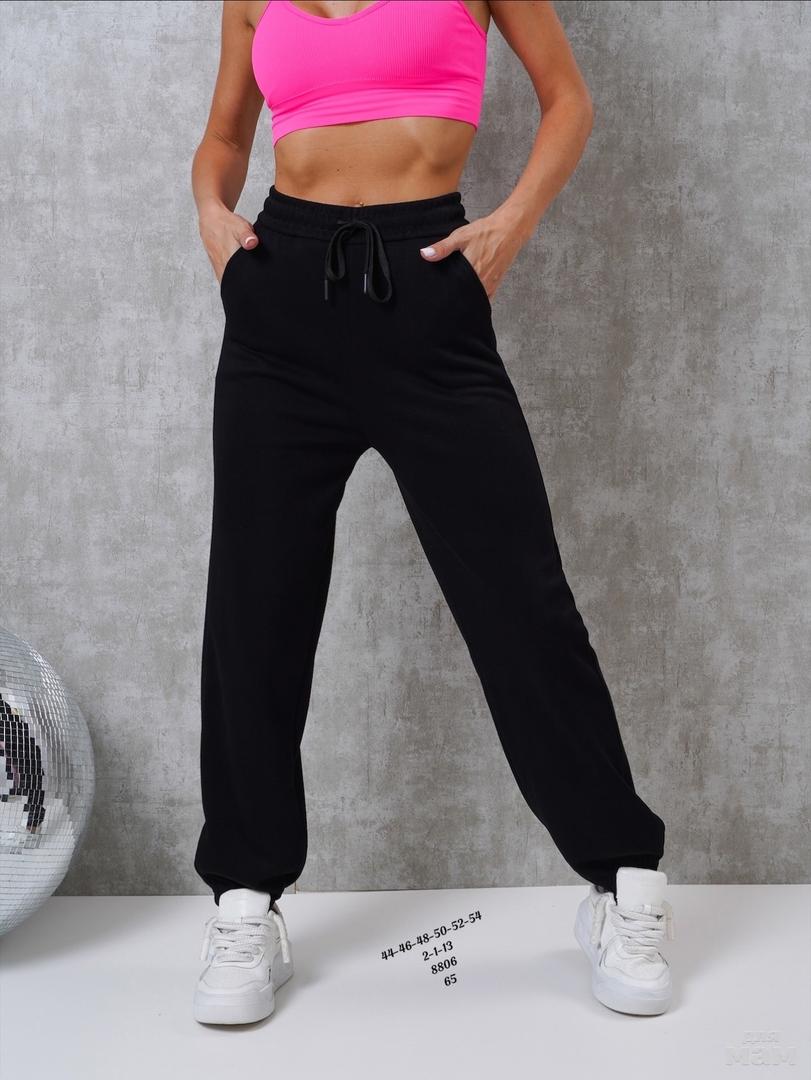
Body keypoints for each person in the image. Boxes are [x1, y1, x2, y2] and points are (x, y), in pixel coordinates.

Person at [190, 0, 675, 1026]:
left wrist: (512, 221)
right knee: (253, 609)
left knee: (521, 603)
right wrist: (211, 214)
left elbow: (568, 100)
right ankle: (244, 899)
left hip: (427, 291)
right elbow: (227, 136)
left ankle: (622, 878)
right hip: (279, 302)